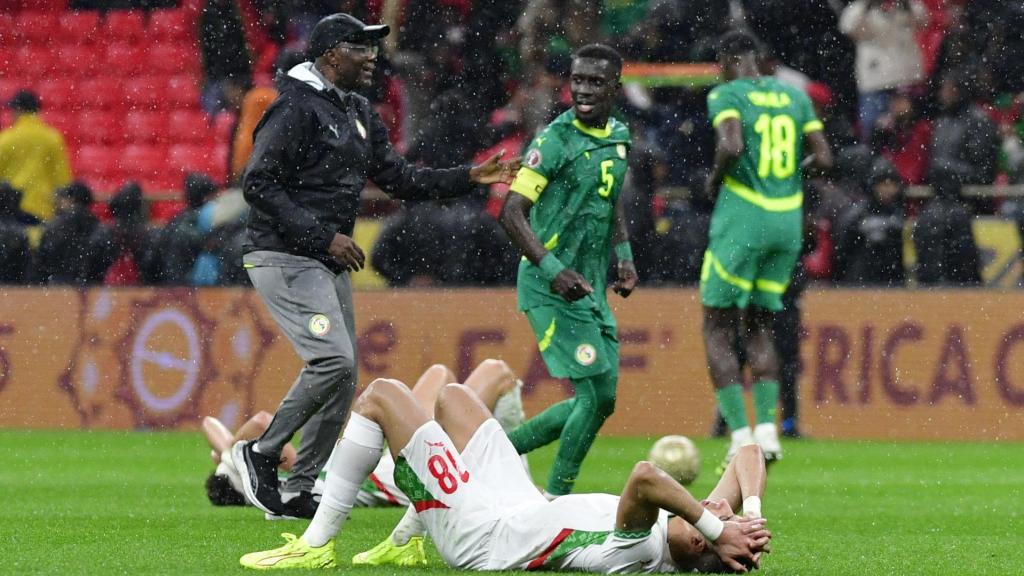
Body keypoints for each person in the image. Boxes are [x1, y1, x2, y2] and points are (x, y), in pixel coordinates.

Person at [232, 11, 520, 518]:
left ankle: (300, 486)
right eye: (358, 48)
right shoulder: (296, 107)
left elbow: (401, 178)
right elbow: (257, 182)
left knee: (343, 375)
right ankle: (259, 452)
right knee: (335, 363)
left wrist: (470, 177)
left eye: (371, 48)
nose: (371, 57)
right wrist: (324, 235)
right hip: (284, 256)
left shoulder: (358, 111)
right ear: (327, 56)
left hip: (320, 258)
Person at [237, 378, 772, 572]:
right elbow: (747, 452)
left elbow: (645, 476)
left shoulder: (641, 551)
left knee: (381, 395)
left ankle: (316, 544)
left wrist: (719, 528)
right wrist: (747, 517)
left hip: (480, 534)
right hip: (520, 502)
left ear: (699, 548)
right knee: (452, 398)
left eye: (713, 516)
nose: (713, 505)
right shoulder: (693, 534)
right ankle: (405, 539)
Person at [498, 44, 636, 499]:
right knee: (595, 394)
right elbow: (512, 212)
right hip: (550, 285)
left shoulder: (619, 134)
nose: (583, 89)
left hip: (590, 286)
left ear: (615, 86)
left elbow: (610, 196)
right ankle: (557, 501)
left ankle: (491, 458)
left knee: (604, 400)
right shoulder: (554, 140)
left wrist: (625, 254)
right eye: (578, 80)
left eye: (596, 82)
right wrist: (554, 269)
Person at [701, 31, 832, 472]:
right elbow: (824, 157)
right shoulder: (794, 96)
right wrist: (787, 176)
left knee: (717, 325)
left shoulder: (726, 94)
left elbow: (732, 145)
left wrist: (716, 179)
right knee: (759, 323)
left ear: (726, 60)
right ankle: (769, 435)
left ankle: (739, 437)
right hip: (786, 220)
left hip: (744, 218)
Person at [839, 0, 927, 141]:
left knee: (911, 134)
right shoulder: (861, 8)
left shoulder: (905, 6)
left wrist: (906, 4)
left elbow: (923, 20)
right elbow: (847, 26)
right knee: (871, 133)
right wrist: (867, 4)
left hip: (906, 81)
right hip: (875, 83)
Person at [0, 90, 72, 222]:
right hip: (42, 208)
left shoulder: (5, 138)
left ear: (18, 110)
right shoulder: (53, 138)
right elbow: (62, 179)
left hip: (10, 208)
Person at [34, 182, 117, 286]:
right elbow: (107, 259)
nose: (59, 202)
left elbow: (41, 262)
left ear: (71, 199)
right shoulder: (102, 228)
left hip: (58, 288)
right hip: (92, 290)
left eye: (63, 198)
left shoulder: (54, 226)